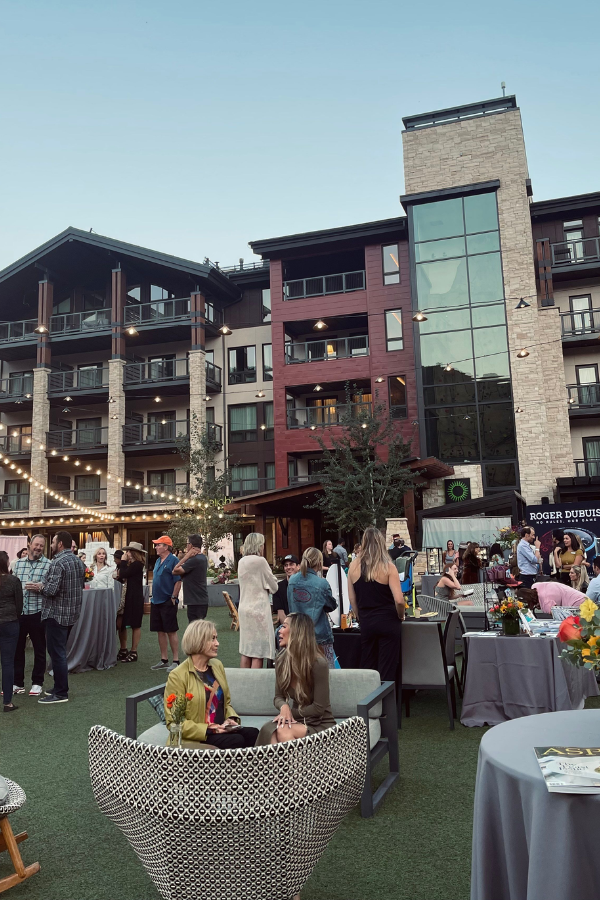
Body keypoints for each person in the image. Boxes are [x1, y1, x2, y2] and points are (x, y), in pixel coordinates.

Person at [164, 619, 258, 749]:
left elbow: (227, 703)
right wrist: (210, 729)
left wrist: (231, 719)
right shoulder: (178, 675)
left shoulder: (217, 665)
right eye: (212, 639)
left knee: (253, 733)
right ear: (199, 640)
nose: (217, 643)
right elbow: (175, 722)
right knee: (236, 741)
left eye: (216, 638)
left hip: (220, 728)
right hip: (199, 735)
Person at [256, 613, 336, 746]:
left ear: (297, 632)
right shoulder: (281, 661)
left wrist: (288, 713)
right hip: (298, 721)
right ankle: (296, 767)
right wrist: (284, 706)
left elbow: (318, 709)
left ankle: (299, 766)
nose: (279, 631)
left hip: (320, 724)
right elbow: (278, 697)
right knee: (271, 733)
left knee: (282, 732)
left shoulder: (318, 663)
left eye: (284, 627)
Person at [348, 526, 405, 682]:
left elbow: (352, 599)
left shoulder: (353, 566)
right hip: (388, 621)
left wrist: (361, 617)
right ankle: (386, 705)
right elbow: (399, 600)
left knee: (369, 667)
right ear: (381, 543)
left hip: (367, 621)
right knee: (387, 670)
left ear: (363, 543)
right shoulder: (388, 566)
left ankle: (369, 704)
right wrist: (401, 615)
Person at [35, 530, 85, 704]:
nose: (51, 545)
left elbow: (51, 590)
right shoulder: (78, 561)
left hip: (57, 614)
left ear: (60, 544)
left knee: (57, 654)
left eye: (53, 542)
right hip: (71, 614)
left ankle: (61, 693)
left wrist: (39, 586)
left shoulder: (57, 562)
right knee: (59, 652)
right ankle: (58, 687)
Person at [12, 534, 50, 697]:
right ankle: (17, 682)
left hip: (38, 612)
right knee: (17, 649)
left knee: (40, 649)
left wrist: (40, 587)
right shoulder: (18, 564)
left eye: (41, 545)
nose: (38, 548)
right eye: (36, 544)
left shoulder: (49, 565)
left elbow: (52, 587)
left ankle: (37, 683)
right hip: (19, 613)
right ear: (29, 544)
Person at [288, 547, 336, 668]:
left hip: (297, 634)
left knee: (301, 673)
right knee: (325, 674)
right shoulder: (321, 583)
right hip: (319, 635)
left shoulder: (292, 580)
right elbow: (331, 606)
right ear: (319, 563)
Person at [237, 532, 278, 668]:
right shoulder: (261, 561)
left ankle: (244, 683)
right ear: (258, 545)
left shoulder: (241, 562)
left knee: (246, 649)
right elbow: (274, 586)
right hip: (258, 609)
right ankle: (255, 685)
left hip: (244, 608)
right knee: (258, 652)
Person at [149, 536, 181, 672]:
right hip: (156, 600)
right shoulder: (157, 560)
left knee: (171, 630)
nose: (156, 547)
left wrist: (173, 597)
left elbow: (178, 581)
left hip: (167, 601)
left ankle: (176, 660)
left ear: (166, 547)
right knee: (160, 631)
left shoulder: (174, 560)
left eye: (158, 545)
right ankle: (164, 660)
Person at [0, 550, 23, 712]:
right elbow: (19, 605)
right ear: (6, 563)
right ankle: (7, 702)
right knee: (7, 663)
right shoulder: (14, 581)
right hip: (10, 622)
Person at [116, 542, 146, 663]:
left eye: (128, 551)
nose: (126, 553)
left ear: (133, 553)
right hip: (129, 596)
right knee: (123, 623)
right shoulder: (132, 564)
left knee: (135, 624)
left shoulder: (138, 564)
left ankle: (134, 651)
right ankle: (124, 649)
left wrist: (122, 562)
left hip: (135, 597)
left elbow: (123, 574)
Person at [173, 534, 209, 623]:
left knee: (196, 632)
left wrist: (186, 557)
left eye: (187, 544)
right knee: (197, 631)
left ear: (191, 545)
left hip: (196, 601)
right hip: (198, 600)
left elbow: (174, 571)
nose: (186, 546)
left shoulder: (194, 560)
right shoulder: (202, 558)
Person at [516, 582, 587, 614]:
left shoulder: (547, 604)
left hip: (578, 604)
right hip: (582, 597)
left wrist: (544, 605)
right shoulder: (535, 585)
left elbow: (560, 617)